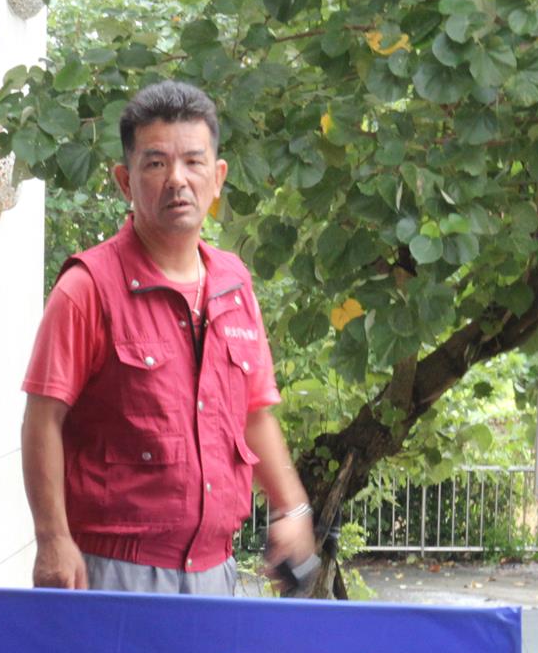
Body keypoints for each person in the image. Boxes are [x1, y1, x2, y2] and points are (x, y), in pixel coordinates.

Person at [20, 80, 316, 594]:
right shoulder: (87, 289)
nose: (177, 179)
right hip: (111, 570)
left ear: (218, 176)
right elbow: (42, 420)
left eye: (194, 162)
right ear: (123, 180)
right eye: (155, 163)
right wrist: (52, 538)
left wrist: (291, 507)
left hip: (215, 571)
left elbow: (254, 414)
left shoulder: (234, 284)